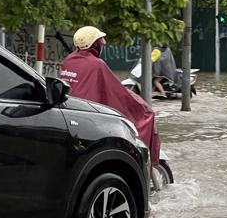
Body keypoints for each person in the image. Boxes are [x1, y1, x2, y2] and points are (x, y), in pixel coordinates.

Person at [60, 26, 160, 165]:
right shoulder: (97, 64)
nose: (103, 44)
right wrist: (141, 105)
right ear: (94, 44)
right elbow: (117, 92)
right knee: (144, 114)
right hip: (90, 116)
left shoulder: (68, 61)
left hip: (70, 113)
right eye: (100, 42)